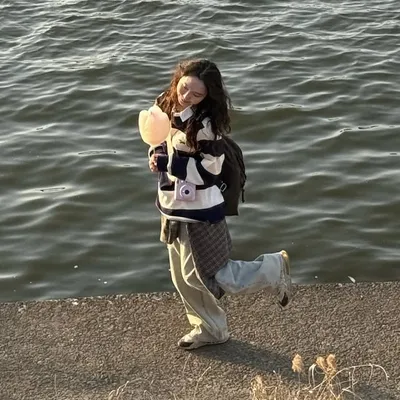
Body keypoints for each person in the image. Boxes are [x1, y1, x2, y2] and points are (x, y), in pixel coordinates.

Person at [147, 58, 292, 350]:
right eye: (184, 88)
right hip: (171, 204)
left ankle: (271, 269)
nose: (186, 96)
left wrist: (168, 163)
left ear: (207, 96)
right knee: (181, 277)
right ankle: (209, 328)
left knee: (207, 275)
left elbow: (209, 171)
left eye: (196, 94)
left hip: (199, 211)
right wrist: (155, 152)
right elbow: (155, 137)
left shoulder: (206, 126)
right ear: (177, 79)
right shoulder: (165, 103)